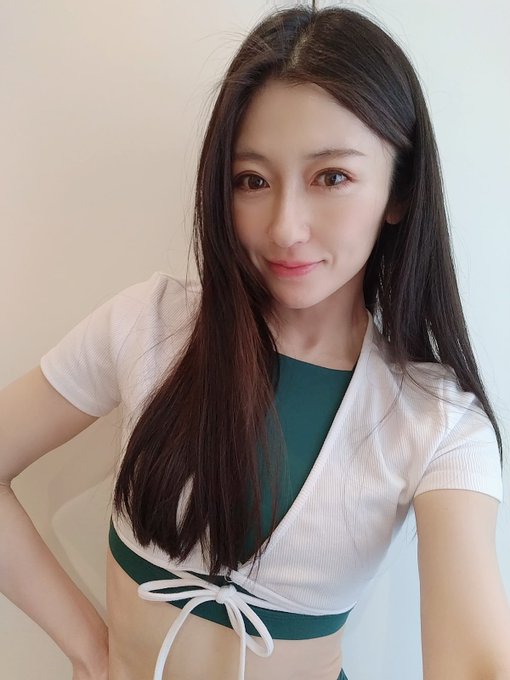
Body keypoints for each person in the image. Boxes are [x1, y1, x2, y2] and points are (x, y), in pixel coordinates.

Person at [1, 4, 509, 680]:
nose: (285, 227)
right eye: (252, 181)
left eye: (332, 177)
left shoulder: (439, 423)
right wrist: (89, 651)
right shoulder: (148, 325)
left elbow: (475, 660)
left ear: (400, 190)